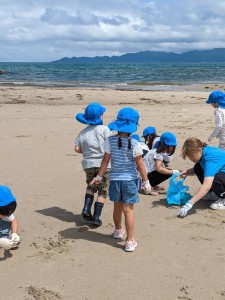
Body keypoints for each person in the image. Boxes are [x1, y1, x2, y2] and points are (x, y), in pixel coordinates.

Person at [91, 107, 157, 252]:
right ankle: (129, 241)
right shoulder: (135, 144)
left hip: (114, 179)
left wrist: (98, 176)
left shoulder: (110, 141)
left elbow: (105, 161)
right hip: (129, 180)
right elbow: (140, 165)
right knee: (128, 210)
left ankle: (118, 230)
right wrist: (146, 182)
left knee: (117, 207)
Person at [74, 102, 111, 226]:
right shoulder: (104, 129)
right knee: (103, 190)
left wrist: (87, 150)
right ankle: (96, 217)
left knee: (90, 186)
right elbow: (110, 144)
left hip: (88, 163)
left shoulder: (83, 132)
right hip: (103, 164)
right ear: (101, 116)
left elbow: (77, 149)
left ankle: (86, 208)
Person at [177, 138, 225, 217]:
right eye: (188, 156)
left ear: (199, 150)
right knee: (197, 167)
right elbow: (203, 167)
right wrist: (187, 172)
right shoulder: (204, 152)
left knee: (215, 176)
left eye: (191, 155)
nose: (190, 159)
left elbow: (207, 185)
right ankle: (215, 194)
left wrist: (189, 203)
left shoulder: (210, 158)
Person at [0, 186, 20, 250]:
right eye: (3, 213)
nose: (6, 215)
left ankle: (5, 238)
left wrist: (14, 234)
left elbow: (13, 221)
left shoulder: (6, 211)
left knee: (5, 221)